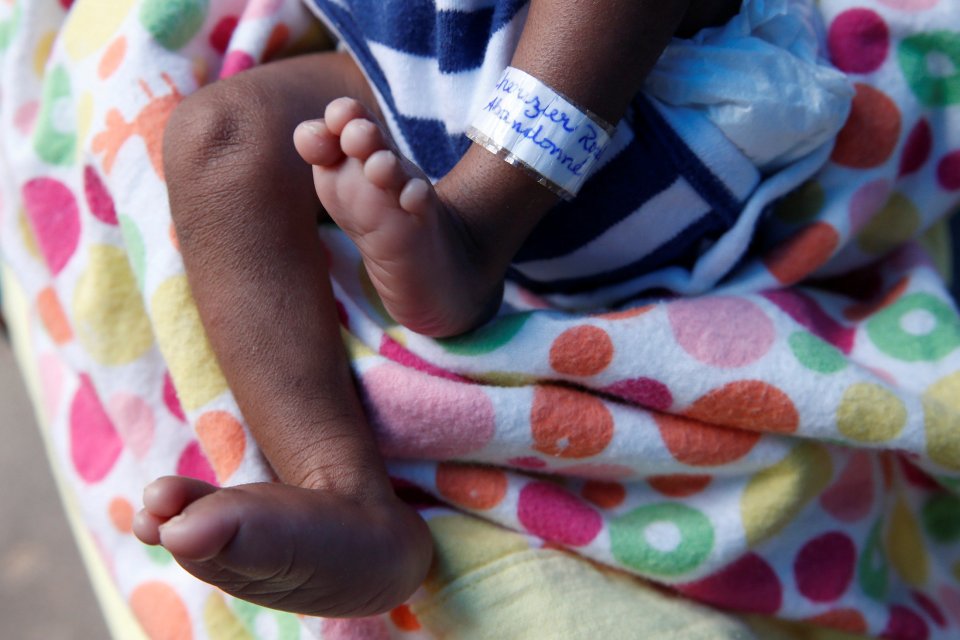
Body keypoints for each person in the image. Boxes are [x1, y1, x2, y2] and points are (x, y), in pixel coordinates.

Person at [132, 0, 843, 619]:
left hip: (644, 96)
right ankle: (339, 490)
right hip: (402, 88)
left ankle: (475, 231)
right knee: (218, 136)